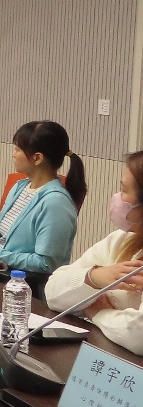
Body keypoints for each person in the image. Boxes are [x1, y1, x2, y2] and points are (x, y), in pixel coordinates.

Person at [0, 121, 84, 288]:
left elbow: (45, 263)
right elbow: (4, 238)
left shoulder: (56, 204)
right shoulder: (19, 187)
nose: (13, 154)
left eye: (18, 149)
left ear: (37, 158)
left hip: (18, 281)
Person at [46, 151, 143, 354]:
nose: (117, 197)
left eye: (123, 190)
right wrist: (93, 278)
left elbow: (138, 336)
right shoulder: (120, 240)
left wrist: (98, 312)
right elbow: (53, 292)